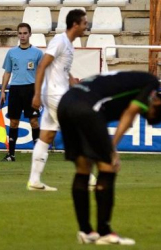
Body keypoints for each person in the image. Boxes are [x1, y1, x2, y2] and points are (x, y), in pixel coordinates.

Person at [57, 71, 161, 245]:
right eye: (149, 113)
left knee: (83, 168)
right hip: (87, 106)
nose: (143, 113)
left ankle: (86, 231)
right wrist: (112, 148)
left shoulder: (126, 80)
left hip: (66, 103)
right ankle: (105, 232)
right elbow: (131, 113)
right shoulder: (151, 82)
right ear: (157, 101)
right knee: (108, 167)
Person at [27, 9, 88, 191]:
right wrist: (37, 94)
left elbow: (61, 69)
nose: (87, 26)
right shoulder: (59, 41)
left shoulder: (68, 44)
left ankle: (35, 181)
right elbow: (42, 65)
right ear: (75, 24)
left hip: (57, 93)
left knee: (46, 136)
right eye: (84, 23)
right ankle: (89, 177)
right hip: (54, 95)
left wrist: (72, 82)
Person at [0, 23, 43, 162]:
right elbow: (7, 72)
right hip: (15, 89)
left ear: (30, 34)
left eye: (25, 33)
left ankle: (38, 155)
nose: (22, 36)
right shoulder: (12, 53)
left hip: (31, 89)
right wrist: (3, 91)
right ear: (17, 35)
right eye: (20, 33)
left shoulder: (37, 53)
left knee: (34, 121)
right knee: (13, 122)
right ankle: (11, 154)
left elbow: (42, 73)